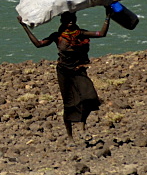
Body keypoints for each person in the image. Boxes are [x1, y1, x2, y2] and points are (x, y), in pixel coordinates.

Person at [18, 9, 110, 140]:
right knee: (69, 103)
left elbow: (101, 33)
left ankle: (82, 122)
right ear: (62, 21)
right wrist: (24, 26)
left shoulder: (81, 34)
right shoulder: (57, 36)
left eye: (73, 19)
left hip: (79, 70)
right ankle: (70, 135)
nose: (71, 22)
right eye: (68, 20)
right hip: (64, 72)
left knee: (90, 97)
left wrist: (107, 16)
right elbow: (38, 44)